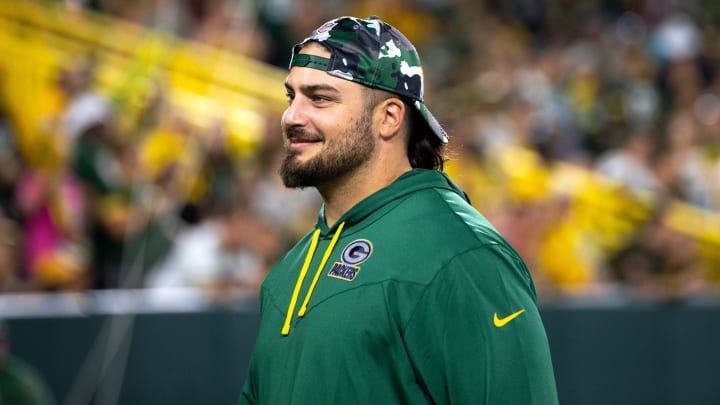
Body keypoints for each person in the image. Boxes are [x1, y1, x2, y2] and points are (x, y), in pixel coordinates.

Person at [240, 16, 558, 404]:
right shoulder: (289, 271)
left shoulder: (462, 256)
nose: (291, 117)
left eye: (320, 98)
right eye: (293, 97)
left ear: (389, 117)